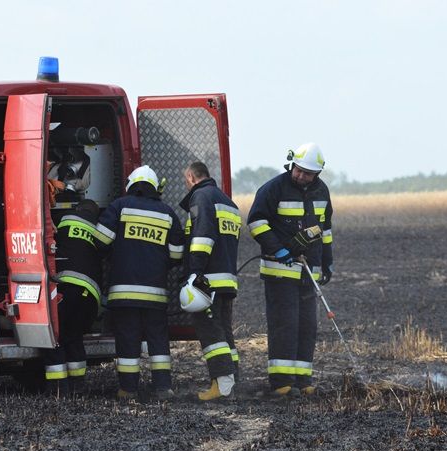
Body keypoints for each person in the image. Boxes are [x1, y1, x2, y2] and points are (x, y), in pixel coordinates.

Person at [246, 142, 334, 398]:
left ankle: (303, 379)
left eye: (307, 173)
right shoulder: (273, 188)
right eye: (298, 170)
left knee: (307, 326)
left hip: (309, 273)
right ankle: (282, 382)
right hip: (279, 271)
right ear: (291, 164)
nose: (301, 176)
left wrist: (326, 261)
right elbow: (256, 222)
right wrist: (278, 249)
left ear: (317, 174)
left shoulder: (322, 191)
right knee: (285, 325)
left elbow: (325, 230)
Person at [94, 165, 185, 401]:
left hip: (123, 294)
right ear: (155, 188)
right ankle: (163, 388)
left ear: (130, 185)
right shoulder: (167, 213)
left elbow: (101, 241)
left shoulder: (119, 207)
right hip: (155, 294)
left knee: (128, 341)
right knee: (158, 341)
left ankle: (128, 389)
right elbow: (176, 254)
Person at [179, 161, 242, 401]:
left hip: (208, 281)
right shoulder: (228, 202)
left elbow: (203, 236)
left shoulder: (201, 197)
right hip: (226, 280)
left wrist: (195, 272)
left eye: (186, 180)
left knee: (211, 332)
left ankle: (222, 386)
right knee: (225, 332)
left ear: (191, 177)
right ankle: (232, 382)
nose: (186, 184)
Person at [43, 199, 103, 397]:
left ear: (78, 208)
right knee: (75, 337)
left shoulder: (64, 218)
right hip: (91, 295)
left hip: (66, 287)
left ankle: (59, 387)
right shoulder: (99, 228)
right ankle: (78, 385)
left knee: (55, 337)